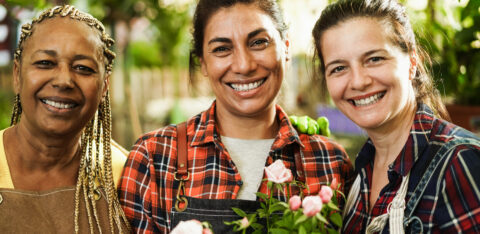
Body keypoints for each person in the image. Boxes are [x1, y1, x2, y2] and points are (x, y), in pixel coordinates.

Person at [118, 0, 354, 232]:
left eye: (259, 42)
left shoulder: (330, 162)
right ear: (203, 64)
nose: (243, 65)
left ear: (286, 49)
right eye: (222, 48)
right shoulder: (154, 158)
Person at [309, 0, 480, 233]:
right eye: (338, 68)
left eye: (375, 59)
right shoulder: (357, 171)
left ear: (412, 62)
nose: (358, 81)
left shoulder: (460, 162)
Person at [1, 5, 130, 232]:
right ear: (17, 75)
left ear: (104, 88)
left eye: (83, 68)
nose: (64, 80)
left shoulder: (125, 173)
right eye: (45, 63)